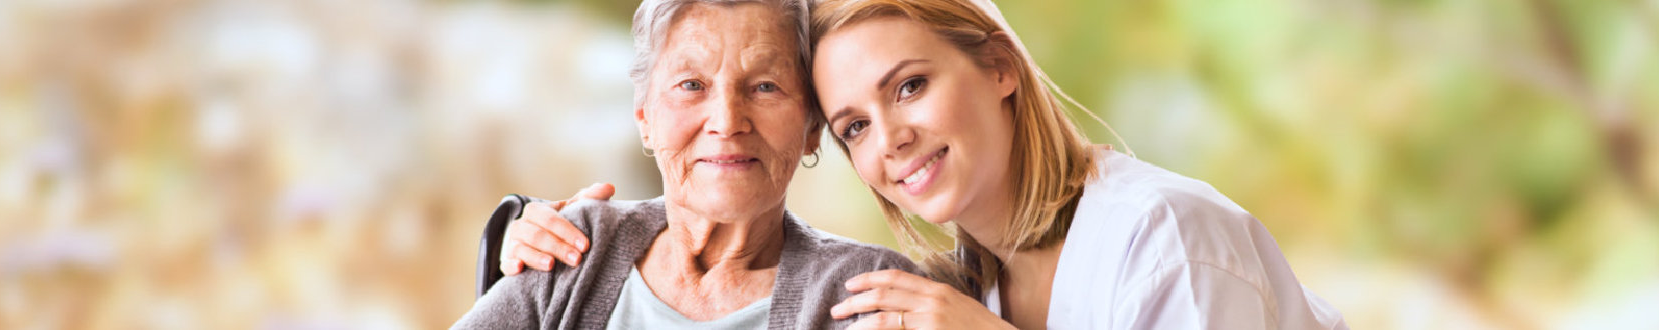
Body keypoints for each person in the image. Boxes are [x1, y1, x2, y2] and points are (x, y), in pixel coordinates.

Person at [503, 0, 1348, 328]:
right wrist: (519, 246)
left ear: (1001, 66)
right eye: (855, 124)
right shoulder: (957, 289)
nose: (890, 140)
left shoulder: (1166, 238)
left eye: (910, 86)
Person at [449, 0, 916, 329]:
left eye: (765, 86)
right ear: (644, 118)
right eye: (692, 85)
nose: (728, 122)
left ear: (812, 127)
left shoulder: (867, 293)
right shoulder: (579, 245)